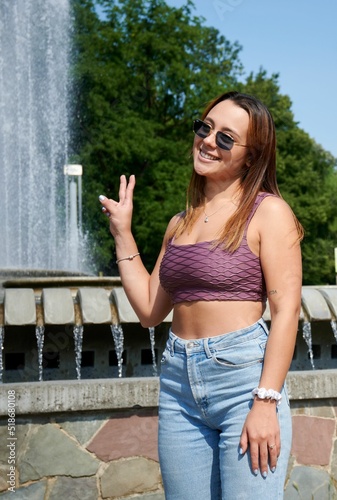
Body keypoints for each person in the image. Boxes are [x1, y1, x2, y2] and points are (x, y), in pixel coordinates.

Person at [99, 91, 303, 499]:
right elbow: (149, 312)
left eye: (226, 137)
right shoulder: (179, 224)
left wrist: (265, 402)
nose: (209, 141)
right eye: (205, 128)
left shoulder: (269, 212)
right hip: (178, 383)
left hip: (244, 383)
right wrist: (123, 235)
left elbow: (286, 312)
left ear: (251, 156)